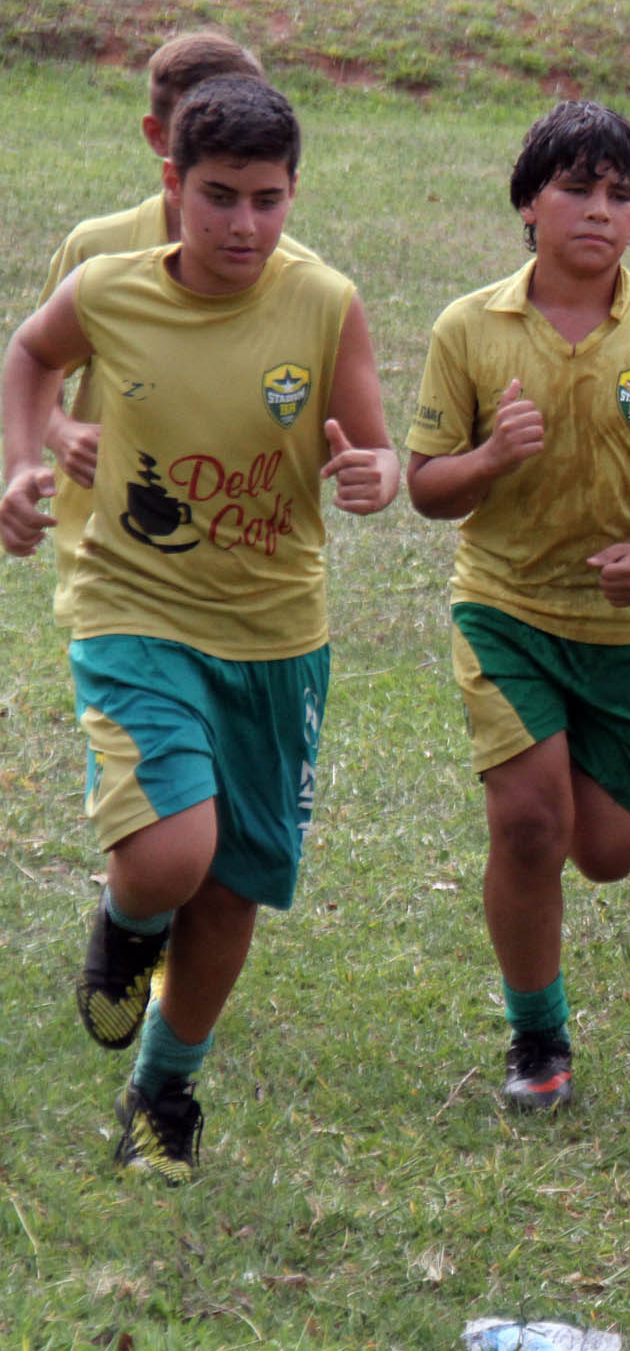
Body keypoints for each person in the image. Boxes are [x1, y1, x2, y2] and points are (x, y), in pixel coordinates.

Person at [0, 75, 399, 1183]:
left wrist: (375, 472)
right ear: (171, 185)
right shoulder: (110, 288)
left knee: (232, 889)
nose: (243, 226)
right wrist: (21, 462)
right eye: (218, 196)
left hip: (276, 635)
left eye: (267, 200)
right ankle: (129, 922)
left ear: (293, 194)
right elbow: (30, 356)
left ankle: (164, 1090)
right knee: (176, 855)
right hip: (135, 609)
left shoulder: (325, 301)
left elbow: (369, 446)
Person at [406, 101, 630, 1113]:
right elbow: (424, 484)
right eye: (575, 188)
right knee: (533, 826)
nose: (599, 210)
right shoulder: (470, 328)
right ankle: (536, 1034)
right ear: (528, 203)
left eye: (620, 195)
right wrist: (490, 457)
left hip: (626, 630)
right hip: (504, 610)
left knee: (612, 850)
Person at [37, 32, 316, 632]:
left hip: (239, 581)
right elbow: (36, 364)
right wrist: (59, 433)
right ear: (159, 137)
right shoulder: (95, 253)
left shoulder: (303, 279)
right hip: (110, 561)